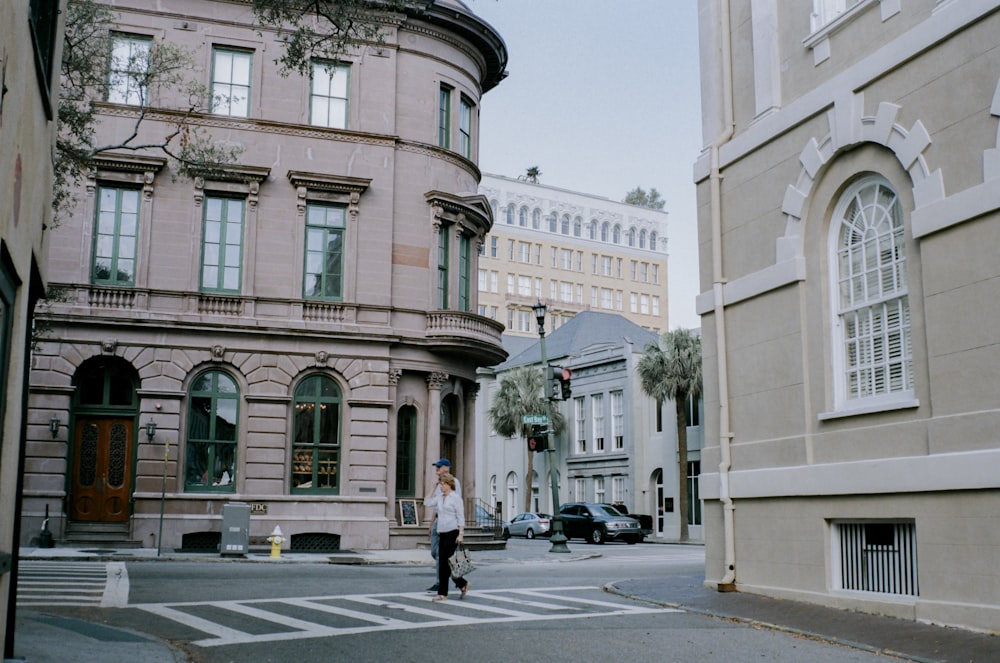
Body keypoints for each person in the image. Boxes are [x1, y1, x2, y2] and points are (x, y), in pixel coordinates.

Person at [423, 458, 461, 592]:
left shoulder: (453, 482)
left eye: (439, 467)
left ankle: (440, 582)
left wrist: (460, 530)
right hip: (438, 521)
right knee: (435, 553)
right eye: (436, 467)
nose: (437, 469)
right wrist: (431, 523)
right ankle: (458, 579)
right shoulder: (438, 484)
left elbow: (456, 506)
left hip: (449, 524)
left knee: (441, 556)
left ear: (446, 467)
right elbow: (433, 504)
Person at [431, 472, 469, 601]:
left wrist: (461, 534)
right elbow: (426, 502)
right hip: (442, 532)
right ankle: (462, 583)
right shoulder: (440, 498)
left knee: (444, 564)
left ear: (449, 484)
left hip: (453, 532)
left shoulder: (455, 498)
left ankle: (442, 593)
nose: (441, 487)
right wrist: (432, 488)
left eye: (443, 484)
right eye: (440, 484)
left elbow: (460, 516)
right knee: (447, 563)